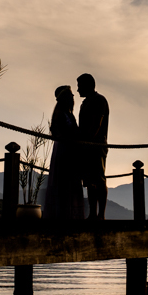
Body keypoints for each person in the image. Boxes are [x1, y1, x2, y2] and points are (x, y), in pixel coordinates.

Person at [42, 85, 86, 221]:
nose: (73, 97)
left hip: (67, 151)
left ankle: (69, 215)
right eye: (70, 95)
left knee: (68, 183)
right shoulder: (62, 114)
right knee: (65, 183)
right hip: (65, 153)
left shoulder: (66, 114)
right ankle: (64, 215)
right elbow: (64, 133)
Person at [77, 73, 109, 221]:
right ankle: (92, 214)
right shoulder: (85, 103)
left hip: (96, 146)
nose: (78, 90)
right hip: (86, 147)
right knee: (90, 182)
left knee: (99, 179)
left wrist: (88, 142)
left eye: (80, 86)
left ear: (89, 85)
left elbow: (97, 124)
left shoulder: (99, 100)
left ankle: (100, 215)